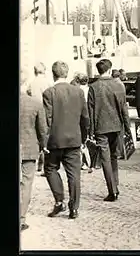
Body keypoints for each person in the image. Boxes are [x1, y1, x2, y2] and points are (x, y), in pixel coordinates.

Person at [42, 61, 89, 220]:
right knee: (74, 174)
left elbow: (47, 119)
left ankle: (59, 200)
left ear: (53, 74)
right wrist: (84, 137)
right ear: (67, 74)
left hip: (54, 140)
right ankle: (74, 208)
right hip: (74, 139)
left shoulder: (49, 93)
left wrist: (44, 141)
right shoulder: (78, 92)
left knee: (50, 169)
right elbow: (85, 118)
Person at [88, 59, 132, 202]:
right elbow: (123, 107)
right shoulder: (118, 85)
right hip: (116, 125)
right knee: (113, 157)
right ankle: (115, 184)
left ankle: (112, 190)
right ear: (110, 69)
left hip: (101, 127)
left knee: (105, 159)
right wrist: (127, 126)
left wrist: (91, 132)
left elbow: (91, 110)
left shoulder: (93, 87)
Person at [20, 68, 48, 231]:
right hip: (29, 147)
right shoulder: (35, 103)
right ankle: (21, 218)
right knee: (26, 183)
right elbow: (42, 129)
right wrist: (43, 146)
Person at [27, 62, 52, 174]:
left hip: (34, 111)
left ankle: (40, 164)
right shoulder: (47, 82)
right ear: (44, 70)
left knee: (38, 135)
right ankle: (47, 163)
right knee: (45, 136)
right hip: (45, 111)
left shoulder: (31, 83)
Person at [72, 73, 93, 172]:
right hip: (89, 116)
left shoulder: (76, 91)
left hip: (79, 117)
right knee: (87, 139)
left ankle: (82, 161)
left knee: (81, 140)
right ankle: (88, 161)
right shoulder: (89, 89)